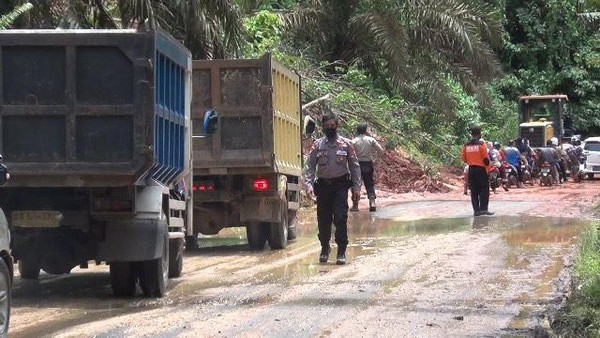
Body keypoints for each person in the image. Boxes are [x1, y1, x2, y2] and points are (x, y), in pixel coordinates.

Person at [304, 113, 361, 265]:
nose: (330, 128)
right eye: (327, 126)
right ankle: (325, 248)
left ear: (337, 126)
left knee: (341, 218)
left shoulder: (346, 144)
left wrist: (356, 187)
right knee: (323, 219)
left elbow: (355, 167)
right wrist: (308, 185)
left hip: (340, 187)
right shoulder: (318, 145)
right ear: (323, 127)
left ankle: (341, 250)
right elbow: (309, 166)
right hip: (323, 187)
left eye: (332, 125)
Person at [351, 123, 385, 212]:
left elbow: (349, 154)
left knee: (356, 184)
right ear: (365, 130)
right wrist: (375, 158)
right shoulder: (371, 140)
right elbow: (381, 151)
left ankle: (355, 205)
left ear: (357, 131)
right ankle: (372, 202)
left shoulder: (353, 141)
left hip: (357, 164)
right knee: (369, 183)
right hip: (367, 163)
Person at [461, 126, 494, 216]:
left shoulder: (466, 145)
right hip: (481, 169)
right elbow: (486, 160)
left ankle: (476, 210)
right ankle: (483, 209)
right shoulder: (481, 144)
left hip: (471, 169)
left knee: (474, 190)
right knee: (484, 189)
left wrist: (472, 161)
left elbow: (464, 159)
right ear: (479, 134)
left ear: (472, 134)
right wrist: (489, 170)